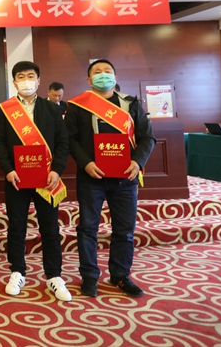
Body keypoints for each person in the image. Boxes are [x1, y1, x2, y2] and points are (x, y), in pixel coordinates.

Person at [67, 59, 156, 298]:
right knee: (87, 228)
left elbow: (147, 138)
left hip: (125, 178)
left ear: (115, 78)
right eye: (97, 72)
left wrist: (137, 162)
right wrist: (86, 163)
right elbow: (70, 139)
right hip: (91, 177)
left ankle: (120, 275)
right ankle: (89, 276)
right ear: (89, 80)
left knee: (125, 230)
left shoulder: (130, 104)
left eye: (107, 71)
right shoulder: (78, 106)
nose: (103, 75)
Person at [0, 61, 71, 301]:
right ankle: (17, 271)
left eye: (30, 76)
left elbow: (63, 142)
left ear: (38, 81)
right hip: (16, 178)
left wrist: (56, 170)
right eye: (20, 77)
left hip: (46, 179)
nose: (25, 81)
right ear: (14, 82)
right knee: (16, 226)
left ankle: (54, 275)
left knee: (50, 228)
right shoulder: (5, 109)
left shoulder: (52, 109)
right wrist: (7, 170)